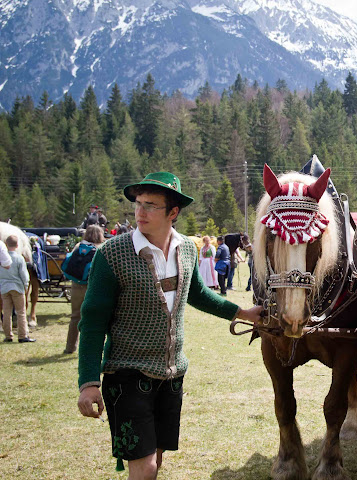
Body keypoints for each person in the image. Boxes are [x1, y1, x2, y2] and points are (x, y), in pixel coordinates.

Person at [76, 171, 262, 478]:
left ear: (173, 212)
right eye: (138, 203)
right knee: (145, 465)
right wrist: (88, 383)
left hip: (172, 374)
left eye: (151, 205)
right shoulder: (112, 254)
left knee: (157, 459)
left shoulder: (186, 249)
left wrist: (242, 312)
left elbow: (199, 294)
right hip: (126, 373)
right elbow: (93, 322)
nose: (140, 212)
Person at [63, 225, 105, 354]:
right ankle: (90, 348)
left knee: (75, 317)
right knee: (93, 318)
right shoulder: (101, 248)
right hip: (93, 286)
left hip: (76, 285)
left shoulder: (78, 247)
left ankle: (70, 347)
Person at [0, 235, 33, 343]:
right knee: (21, 312)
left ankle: (8, 335)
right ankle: (22, 335)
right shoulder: (19, 258)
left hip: (4, 288)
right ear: (17, 245)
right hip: (17, 287)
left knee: (6, 312)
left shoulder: (2, 259)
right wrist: (26, 285)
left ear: (6, 244)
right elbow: (24, 274)